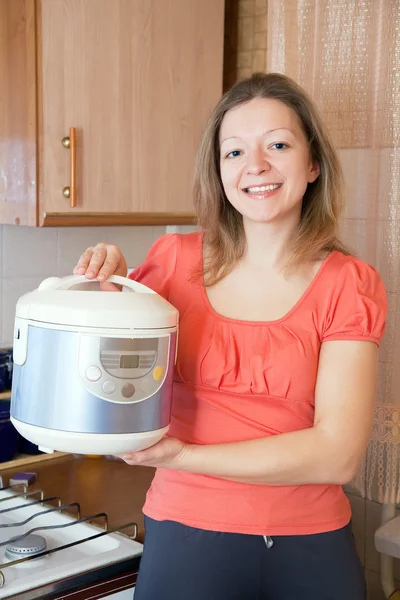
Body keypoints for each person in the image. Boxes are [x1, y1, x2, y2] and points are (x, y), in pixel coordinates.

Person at [73, 72, 387, 600]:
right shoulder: (171, 264)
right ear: (218, 172)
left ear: (312, 165)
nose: (255, 166)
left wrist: (183, 457)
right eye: (234, 152)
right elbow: (107, 386)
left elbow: (338, 455)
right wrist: (106, 290)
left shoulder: (348, 284)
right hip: (185, 537)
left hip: (310, 547)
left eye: (278, 145)